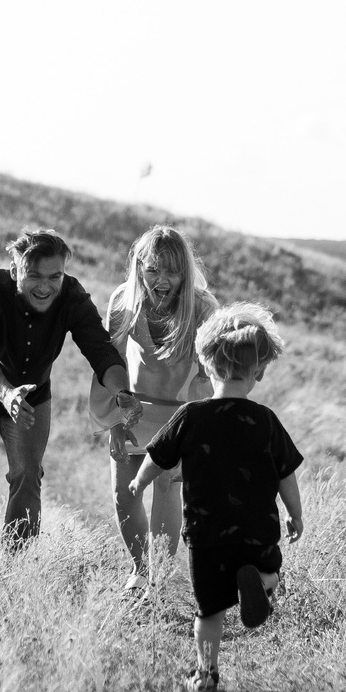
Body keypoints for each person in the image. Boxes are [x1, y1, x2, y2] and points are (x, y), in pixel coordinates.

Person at [127, 303, 305, 692]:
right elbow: (286, 473)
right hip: (256, 531)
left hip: (206, 533)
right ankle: (261, 579)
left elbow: (157, 457)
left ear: (206, 366)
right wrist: (296, 515)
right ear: (258, 372)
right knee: (271, 568)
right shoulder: (266, 421)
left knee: (208, 610)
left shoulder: (191, 416)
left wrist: (139, 483)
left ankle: (206, 674)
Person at [0, 227, 132, 561]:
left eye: (54, 276)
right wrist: (6, 394)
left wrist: (122, 392)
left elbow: (101, 351)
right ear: (15, 272)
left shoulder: (71, 296)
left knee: (27, 476)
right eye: (34, 276)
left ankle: (15, 570)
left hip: (31, 396)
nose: (45, 287)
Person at [91, 226, 217, 592]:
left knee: (167, 486)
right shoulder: (123, 301)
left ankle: (159, 579)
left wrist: (195, 431)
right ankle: (140, 568)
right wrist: (113, 419)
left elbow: (210, 376)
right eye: (152, 270)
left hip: (181, 414)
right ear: (139, 268)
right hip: (133, 410)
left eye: (172, 271)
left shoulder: (204, 308)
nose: (162, 280)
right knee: (124, 492)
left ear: (185, 272)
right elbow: (109, 362)